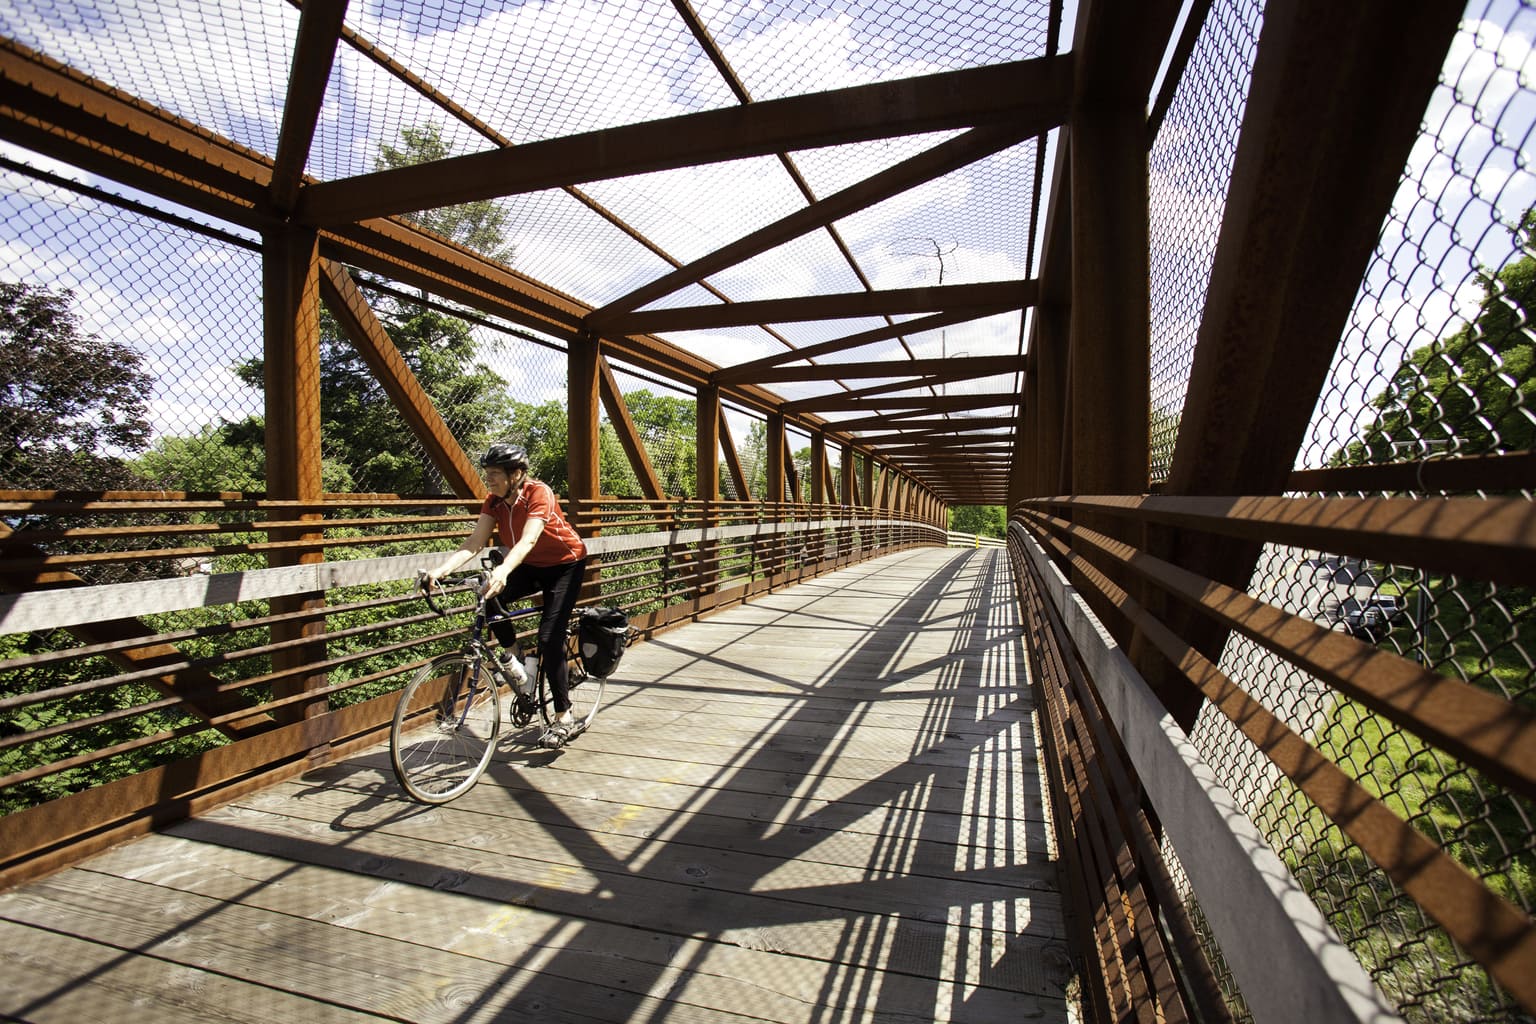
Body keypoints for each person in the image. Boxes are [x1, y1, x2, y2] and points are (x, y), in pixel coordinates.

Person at [423, 443, 588, 747]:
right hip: (531, 564)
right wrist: (440, 571)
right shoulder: (494, 501)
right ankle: (517, 656)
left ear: (517, 474)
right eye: (487, 474)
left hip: (566, 564)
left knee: (550, 638)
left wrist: (502, 571)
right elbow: (474, 541)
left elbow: (527, 540)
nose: (490, 480)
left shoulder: (539, 493)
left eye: (495, 474)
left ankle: (564, 716)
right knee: (486, 597)